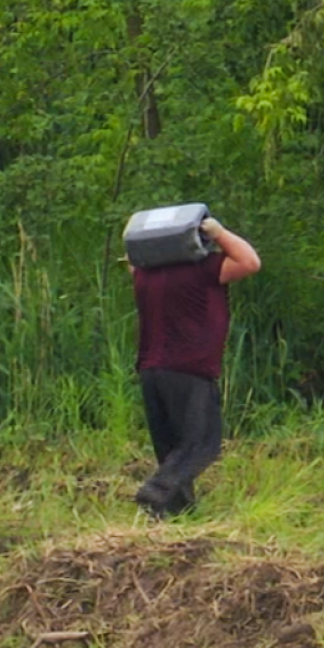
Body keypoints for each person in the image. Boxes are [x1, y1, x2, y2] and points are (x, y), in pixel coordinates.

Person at [131, 216, 261, 516]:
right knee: (201, 443)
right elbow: (250, 262)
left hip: (151, 370)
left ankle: (176, 513)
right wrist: (219, 232)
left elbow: (133, 260)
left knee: (171, 448)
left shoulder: (144, 275)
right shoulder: (202, 270)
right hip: (188, 369)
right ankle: (158, 490)